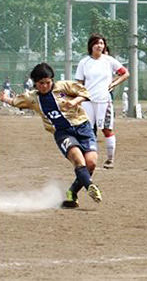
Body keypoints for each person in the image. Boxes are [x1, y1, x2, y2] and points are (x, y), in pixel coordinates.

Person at [0, 63, 102, 208]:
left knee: (91, 162)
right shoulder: (32, 98)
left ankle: (72, 192)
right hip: (62, 133)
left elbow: (84, 93)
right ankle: (90, 187)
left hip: (83, 127)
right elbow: (16, 102)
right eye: (41, 83)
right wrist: (4, 99)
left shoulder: (63, 86)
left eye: (48, 82)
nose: (45, 86)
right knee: (78, 159)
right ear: (35, 83)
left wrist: (73, 102)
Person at [75, 34, 130, 169]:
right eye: (96, 43)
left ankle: (110, 159)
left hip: (104, 101)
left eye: (101, 43)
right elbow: (79, 83)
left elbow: (125, 73)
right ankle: (88, 159)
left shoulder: (109, 61)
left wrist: (114, 83)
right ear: (91, 46)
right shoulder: (84, 62)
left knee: (107, 129)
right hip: (87, 101)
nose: (99, 46)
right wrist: (77, 98)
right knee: (88, 130)